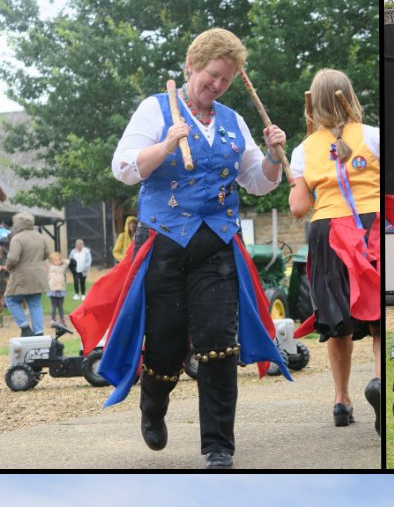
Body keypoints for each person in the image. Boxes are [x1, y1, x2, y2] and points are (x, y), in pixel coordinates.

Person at [84, 27, 291, 470]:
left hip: (217, 245)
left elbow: (256, 181)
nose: (217, 86)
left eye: (227, 80)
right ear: (191, 66)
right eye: (213, 75)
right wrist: (165, 144)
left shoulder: (233, 121)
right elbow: (123, 168)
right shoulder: (157, 109)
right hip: (164, 244)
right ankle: (152, 404)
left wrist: (274, 156)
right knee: (164, 345)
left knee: (219, 344)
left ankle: (218, 446)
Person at [288, 68, 381, 432]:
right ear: (349, 96)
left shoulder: (303, 149)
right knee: (374, 313)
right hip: (369, 226)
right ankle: (376, 378)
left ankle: (341, 400)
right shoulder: (372, 136)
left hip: (326, 232)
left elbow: (297, 208)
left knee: (335, 319)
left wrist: (298, 175)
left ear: (313, 103)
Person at [2, 212, 51, 337]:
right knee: (35, 303)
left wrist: (8, 267)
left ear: (18, 223)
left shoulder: (17, 238)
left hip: (21, 275)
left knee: (10, 299)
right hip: (38, 275)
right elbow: (47, 254)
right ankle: (39, 332)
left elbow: (13, 258)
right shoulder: (40, 236)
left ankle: (25, 328)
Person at [46, 252, 68, 326]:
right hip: (53, 289)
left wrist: (62, 261)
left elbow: (67, 262)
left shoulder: (62, 268)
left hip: (61, 289)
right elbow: (45, 263)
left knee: (60, 306)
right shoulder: (50, 267)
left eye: (59, 260)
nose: (58, 261)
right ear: (52, 261)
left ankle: (62, 320)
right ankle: (53, 320)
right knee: (54, 306)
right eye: (56, 260)